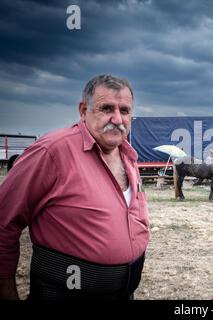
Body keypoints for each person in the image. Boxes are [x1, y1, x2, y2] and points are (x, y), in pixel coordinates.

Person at [0, 75, 150, 300]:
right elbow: (3, 222)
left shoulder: (127, 154)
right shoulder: (51, 152)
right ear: (83, 111)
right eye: (106, 108)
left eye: (125, 111)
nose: (117, 119)